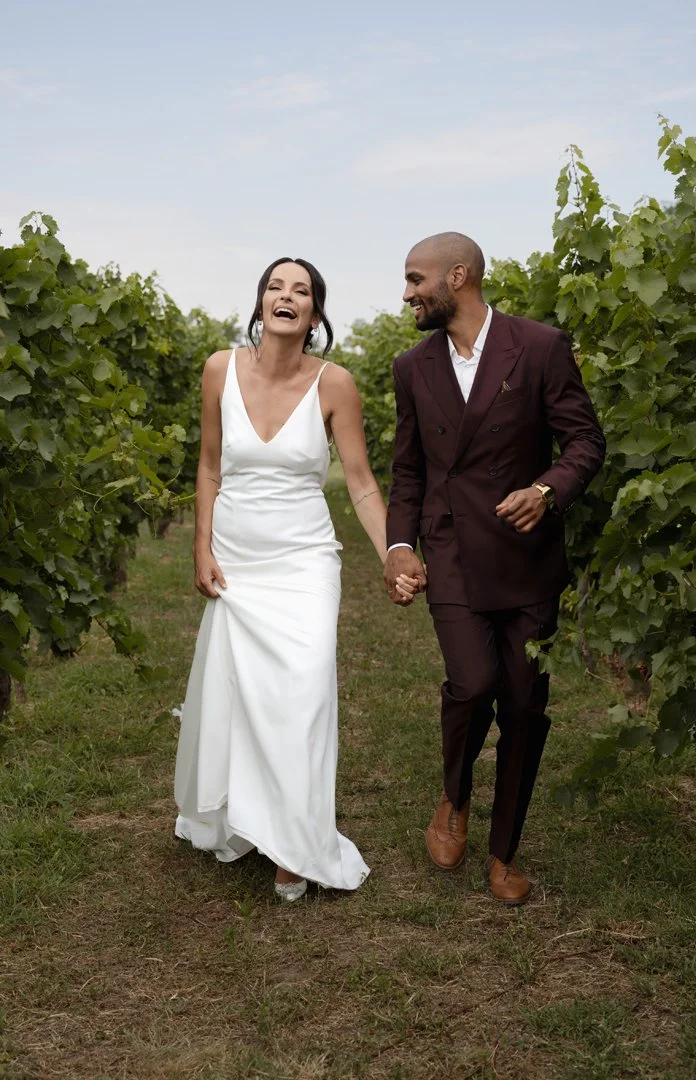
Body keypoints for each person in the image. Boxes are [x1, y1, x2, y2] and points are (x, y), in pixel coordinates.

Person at [174, 256, 418, 901]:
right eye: (276, 287)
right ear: (260, 305)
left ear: (313, 314)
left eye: (301, 290)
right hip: (238, 560)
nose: (287, 296)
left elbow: (362, 484)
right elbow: (208, 468)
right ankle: (250, 820)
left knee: (304, 693)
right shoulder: (219, 370)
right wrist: (200, 547)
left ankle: (297, 841)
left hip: (306, 559)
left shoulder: (335, 384)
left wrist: (394, 548)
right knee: (245, 697)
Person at [383, 232, 605, 905]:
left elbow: (586, 441)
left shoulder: (538, 347)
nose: (407, 292)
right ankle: (455, 793)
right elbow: (409, 470)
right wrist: (399, 546)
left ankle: (503, 851)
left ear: (458, 276)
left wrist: (546, 490)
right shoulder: (410, 367)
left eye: (416, 278)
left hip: (527, 556)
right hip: (451, 550)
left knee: (526, 706)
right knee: (473, 682)